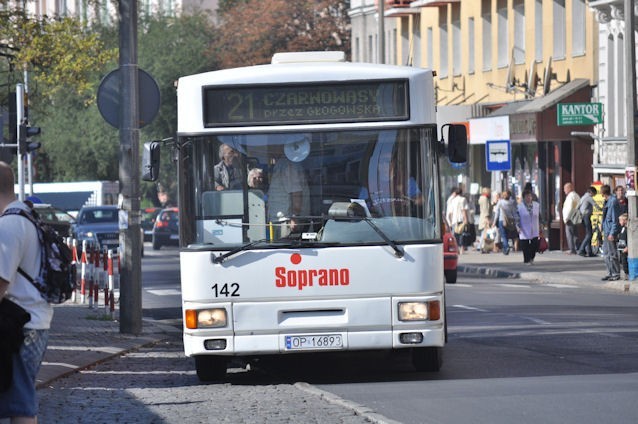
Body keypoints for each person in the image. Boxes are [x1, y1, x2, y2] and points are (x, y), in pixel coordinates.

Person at [0, 161, 53, 423]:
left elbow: (0, 281)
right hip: (34, 320)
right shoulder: (26, 216)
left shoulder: (8, 226)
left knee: (21, 403)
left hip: (21, 326)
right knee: (20, 397)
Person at [267, 155, 310, 237]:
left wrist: (295, 217)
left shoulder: (288, 165)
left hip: (287, 222)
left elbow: (296, 193)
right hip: (281, 221)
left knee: (285, 248)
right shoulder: (282, 163)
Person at [601, 184, 621, 281]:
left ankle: (616, 273)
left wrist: (612, 233)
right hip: (606, 230)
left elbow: (615, 219)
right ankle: (609, 272)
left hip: (610, 232)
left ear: (603, 193)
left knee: (612, 253)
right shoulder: (606, 201)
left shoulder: (612, 202)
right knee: (606, 253)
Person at [517, 189, 540, 264]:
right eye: (527, 196)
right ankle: (526, 259)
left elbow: (540, 215)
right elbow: (517, 217)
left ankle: (531, 257)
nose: (529, 198)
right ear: (524, 197)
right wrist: (518, 226)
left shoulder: (536, 205)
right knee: (525, 245)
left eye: (530, 196)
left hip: (534, 227)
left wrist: (542, 224)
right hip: (523, 228)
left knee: (535, 244)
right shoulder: (519, 207)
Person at [577, 186, 600, 257]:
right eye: (594, 193)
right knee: (589, 234)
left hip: (583, 216)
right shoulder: (589, 197)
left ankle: (589, 251)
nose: (594, 195)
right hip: (586, 216)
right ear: (591, 192)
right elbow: (595, 205)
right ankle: (581, 249)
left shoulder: (583, 197)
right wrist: (602, 209)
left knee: (588, 234)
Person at [493, 190, 518, 255]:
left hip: (502, 220)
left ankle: (506, 247)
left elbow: (497, 213)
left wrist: (494, 222)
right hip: (510, 221)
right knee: (507, 234)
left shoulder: (500, 202)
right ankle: (506, 248)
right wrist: (516, 221)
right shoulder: (512, 202)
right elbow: (514, 213)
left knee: (503, 235)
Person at [562, 182, 580, 254]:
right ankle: (577, 247)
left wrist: (566, 218)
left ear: (569, 188)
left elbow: (569, 208)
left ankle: (572, 249)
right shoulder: (576, 195)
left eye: (565, 189)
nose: (564, 190)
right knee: (575, 233)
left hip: (570, 217)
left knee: (569, 234)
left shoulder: (570, 196)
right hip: (575, 217)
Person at [478, 187, 493, 252]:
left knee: (483, 233)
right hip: (485, 217)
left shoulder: (481, 198)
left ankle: (481, 246)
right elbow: (486, 208)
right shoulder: (485, 199)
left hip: (482, 216)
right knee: (484, 233)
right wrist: (488, 219)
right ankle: (481, 246)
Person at [618, 213, 629, 280]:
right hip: (621, 249)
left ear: (625, 221)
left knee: (625, 262)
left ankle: (628, 274)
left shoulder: (628, 229)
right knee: (622, 261)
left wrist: (628, 247)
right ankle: (626, 273)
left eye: (620, 220)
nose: (619, 222)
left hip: (625, 249)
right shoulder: (623, 228)